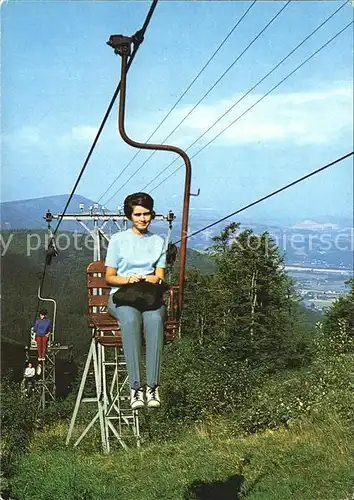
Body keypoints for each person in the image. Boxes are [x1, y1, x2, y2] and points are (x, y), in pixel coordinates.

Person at [105, 192, 166, 410]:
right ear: (130, 216)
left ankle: (153, 386)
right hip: (122, 294)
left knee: (154, 321)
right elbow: (109, 277)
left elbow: (160, 276)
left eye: (146, 214)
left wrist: (150, 278)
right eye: (138, 214)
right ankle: (135, 387)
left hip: (148, 296)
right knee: (130, 321)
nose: (143, 219)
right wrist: (128, 278)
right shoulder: (118, 241)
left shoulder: (159, 242)